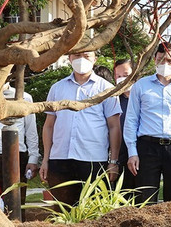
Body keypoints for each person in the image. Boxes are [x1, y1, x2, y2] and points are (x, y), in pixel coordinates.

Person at [40, 50, 123, 207]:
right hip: (60, 159)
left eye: (86, 56)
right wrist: (45, 159)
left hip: (93, 159)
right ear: (69, 58)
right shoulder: (57, 88)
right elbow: (49, 125)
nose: (81, 60)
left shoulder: (106, 89)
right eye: (77, 56)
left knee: (92, 212)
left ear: (95, 59)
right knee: (62, 210)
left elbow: (114, 126)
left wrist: (113, 161)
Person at [123, 42, 171, 203]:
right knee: (144, 200)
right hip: (147, 148)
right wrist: (132, 151)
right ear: (155, 60)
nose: (165, 64)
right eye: (161, 59)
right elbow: (131, 120)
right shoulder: (140, 86)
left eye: (170, 61)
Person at [0, 82, 41, 212]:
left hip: (16, 156)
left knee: (15, 204)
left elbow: (31, 131)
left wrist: (33, 159)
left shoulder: (25, 98)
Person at [113, 58, 136, 189]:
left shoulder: (144, 99)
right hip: (119, 157)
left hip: (142, 157)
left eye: (126, 75)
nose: (122, 79)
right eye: (118, 76)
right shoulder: (113, 100)